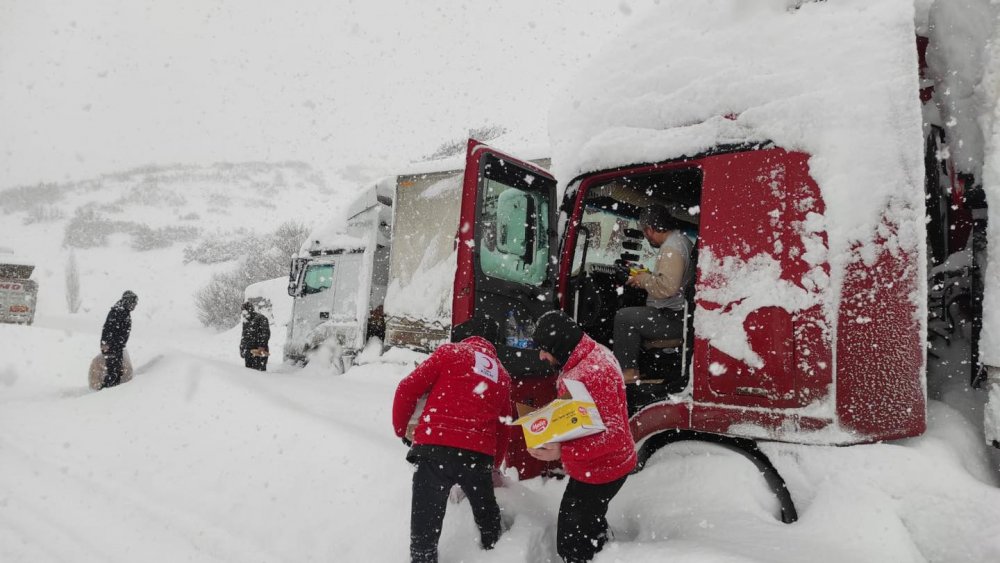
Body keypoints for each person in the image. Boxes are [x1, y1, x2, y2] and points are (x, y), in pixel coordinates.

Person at [391, 319, 512, 563]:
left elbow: (407, 389)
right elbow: (503, 427)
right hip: (477, 457)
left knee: (425, 529)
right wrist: (492, 464)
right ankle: (496, 553)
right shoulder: (502, 374)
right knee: (488, 519)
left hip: (434, 450)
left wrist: (402, 429)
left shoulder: (450, 352)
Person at [529, 310, 636, 563]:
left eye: (545, 349)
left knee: (570, 543)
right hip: (595, 466)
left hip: (603, 470)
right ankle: (600, 546)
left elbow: (613, 435)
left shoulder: (594, 371)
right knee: (589, 521)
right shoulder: (580, 358)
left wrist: (562, 451)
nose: (541, 355)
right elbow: (585, 415)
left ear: (560, 343)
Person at [613, 204, 695, 383]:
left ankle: (629, 372)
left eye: (645, 232)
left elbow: (667, 287)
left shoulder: (671, 248)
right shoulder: (683, 241)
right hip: (682, 316)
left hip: (674, 318)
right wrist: (648, 276)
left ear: (649, 229)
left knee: (624, 317)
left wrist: (642, 280)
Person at [100, 290, 138, 389]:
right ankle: (105, 393)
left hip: (115, 346)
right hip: (112, 346)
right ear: (127, 301)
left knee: (116, 371)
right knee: (114, 372)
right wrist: (109, 346)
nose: (135, 305)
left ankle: (111, 391)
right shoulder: (118, 311)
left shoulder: (123, 311)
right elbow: (108, 330)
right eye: (133, 302)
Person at [239, 301, 270, 371]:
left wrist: (262, 346)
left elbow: (265, 334)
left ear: (250, 310)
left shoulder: (261, 318)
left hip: (259, 352)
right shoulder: (245, 321)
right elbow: (244, 336)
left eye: (245, 312)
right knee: (249, 375)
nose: (244, 314)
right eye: (243, 312)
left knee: (259, 374)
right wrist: (242, 348)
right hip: (248, 353)